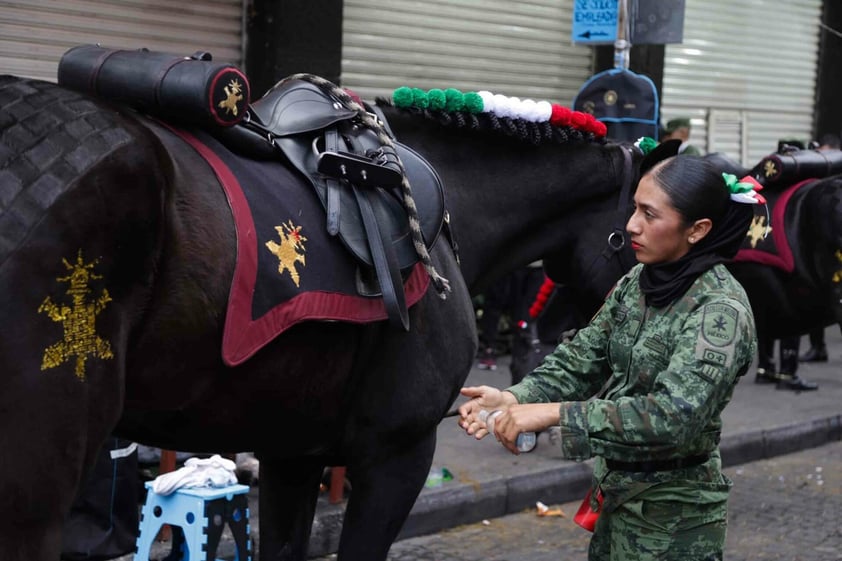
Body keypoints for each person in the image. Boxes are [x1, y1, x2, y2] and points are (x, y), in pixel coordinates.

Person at [459, 156, 759, 560]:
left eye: (650, 214)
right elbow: (584, 356)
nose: (632, 225)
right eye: (634, 207)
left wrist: (554, 414)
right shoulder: (640, 280)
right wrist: (517, 397)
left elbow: (672, 418)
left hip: (674, 521)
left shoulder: (719, 311)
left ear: (697, 230)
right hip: (617, 497)